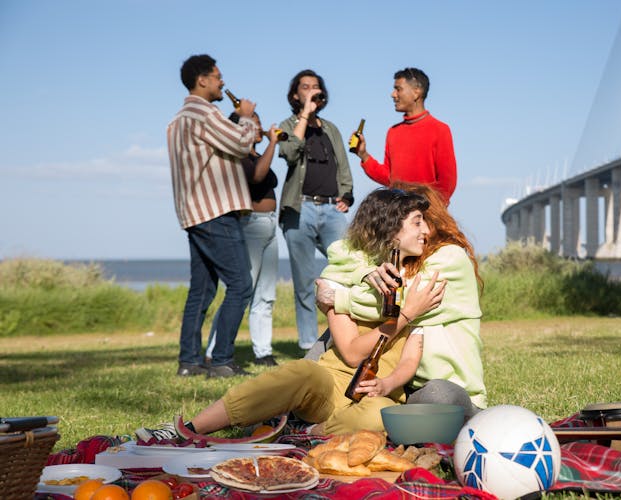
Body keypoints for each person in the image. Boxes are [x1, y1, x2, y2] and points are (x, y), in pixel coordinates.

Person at [136, 188, 444, 440]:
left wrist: (389, 384)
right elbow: (351, 353)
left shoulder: (422, 283)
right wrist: (405, 316)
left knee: (379, 416)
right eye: (417, 222)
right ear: (391, 231)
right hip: (330, 383)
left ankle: (306, 434)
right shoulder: (340, 276)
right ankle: (188, 431)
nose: (426, 231)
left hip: (377, 393)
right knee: (300, 372)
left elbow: (409, 357)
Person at [313, 182, 486, 418]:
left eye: (422, 220)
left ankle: (329, 417)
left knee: (439, 395)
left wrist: (336, 297)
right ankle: (298, 405)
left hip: (448, 390)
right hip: (405, 387)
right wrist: (361, 273)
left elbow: (394, 304)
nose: (422, 229)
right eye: (417, 222)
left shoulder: (450, 259)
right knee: (327, 341)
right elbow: (343, 251)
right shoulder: (401, 260)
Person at [167, 54, 259, 378]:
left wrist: (234, 119)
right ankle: (221, 360)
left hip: (193, 213)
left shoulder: (178, 120)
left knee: (202, 291)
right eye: (218, 77)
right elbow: (241, 143)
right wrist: (246, 117)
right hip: (216, 211)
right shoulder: (205, 112)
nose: (223, 82)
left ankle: (188, 362)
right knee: (241, 285)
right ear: (202, 80)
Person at [277, 69, 355, 353]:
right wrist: (304, 116)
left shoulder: (330, 128)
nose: (312, 91)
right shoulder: (287, 124)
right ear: (295, 94)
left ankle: (345, 335)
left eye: (316, 87)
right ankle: (309, 343)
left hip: (332, 208)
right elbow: (288, 152)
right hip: (300, 209)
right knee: (304, 279)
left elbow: (343, 165)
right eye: (305, 87)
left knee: (347, 268)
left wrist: (347, 193)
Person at [206, 111, 281, 367]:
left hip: (270, 225)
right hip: (249, 226)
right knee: (241, 292)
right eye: (255, 123)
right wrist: (273, 142)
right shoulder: (236, 157)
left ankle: (263, 351)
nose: (259, 127)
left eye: (259, 122)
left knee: (265, 295)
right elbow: (258, 177)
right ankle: (213, 351)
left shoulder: (256, 155)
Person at [352, 68, 457, 204]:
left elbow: (447, 183)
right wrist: (363, 155)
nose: (393, 94)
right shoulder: (393, 132)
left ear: (416, 92)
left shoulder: (440, 129)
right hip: (398, 214)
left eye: (398, 89)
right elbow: (390, 179)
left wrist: (429, 212)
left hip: (427, 216)